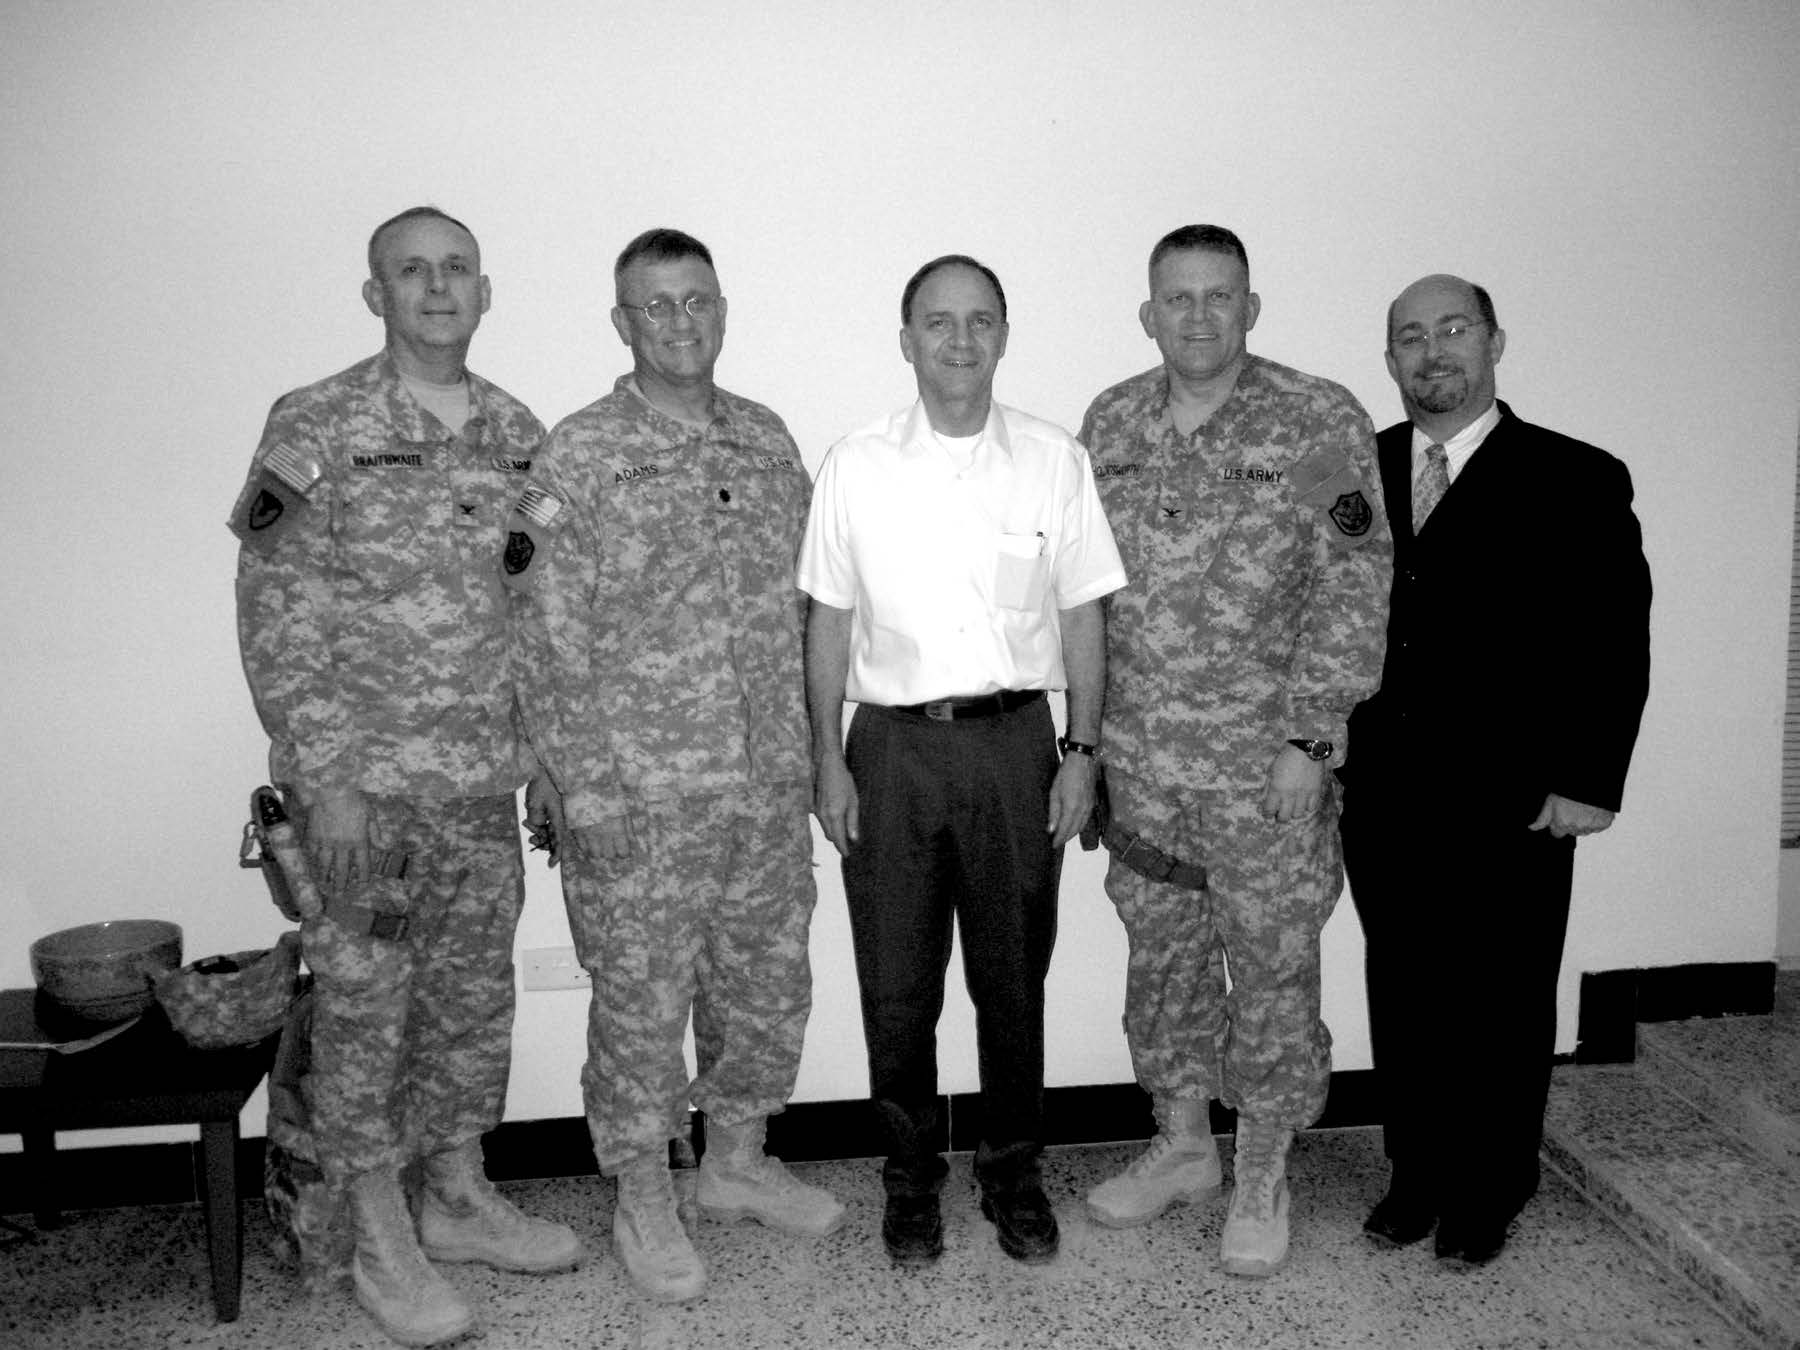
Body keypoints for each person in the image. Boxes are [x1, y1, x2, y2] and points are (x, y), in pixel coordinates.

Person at [229, 206, 582, 1348]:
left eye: (457, 270)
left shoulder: (519, 433)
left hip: (480, 785)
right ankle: (376, 1226)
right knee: (369, 1013)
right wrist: (326, 780)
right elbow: (276, 613)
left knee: (471, 1005)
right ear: (375, 295)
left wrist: (545, 767)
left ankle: (458, 1192)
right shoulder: (315, 423)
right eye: (412, 272)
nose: (438, 289)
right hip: (365, 795)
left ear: (488, 291)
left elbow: (540, 615)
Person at [507, 228, 842, 1305]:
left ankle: (735, 1161)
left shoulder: (766, 439)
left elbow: (806, 611)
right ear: (623, 323)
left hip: (763, 780)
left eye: (698, 300)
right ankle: (643, 1190)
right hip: (639, 792)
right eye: (656, 306)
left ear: (723, 309)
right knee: (642, 1006)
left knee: (763, 985)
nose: (681, 321)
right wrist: (581, 785)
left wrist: (812, 759)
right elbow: (545, 635)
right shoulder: (582, 453)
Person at [799, 255, 1126, 1269]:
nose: (959, 341)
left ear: (1003, 333)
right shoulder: (855, 463)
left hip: (1015, 747)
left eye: (980, 320)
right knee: (897, 988)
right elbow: (825, 622)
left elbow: (1083, 616)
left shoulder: (1051, 460)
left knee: (1012, 979)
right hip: (890, 751)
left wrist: (1081, 752)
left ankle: (1014, 1173)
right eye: (937, 322)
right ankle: (909, 1180)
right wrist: (825, 757)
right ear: (906, 339)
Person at [1079, 224, 1393, 1277]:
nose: (1200, 316)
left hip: (1269, 772)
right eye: (1179, 298)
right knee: (1162, 964)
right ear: (1149, 313)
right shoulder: (1113, 422)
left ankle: (1261, 1167)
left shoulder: (1313, 420)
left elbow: (1357, 584)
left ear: (1251, 307)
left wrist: (1313, 737)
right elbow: (1086, 592)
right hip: (1147, 767)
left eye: (1221, 296)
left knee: (1269, 971)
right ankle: (1182, 1145)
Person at [1340, 273, 1651, 1265]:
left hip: (1515, 797)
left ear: (1494, 342)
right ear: (1390, 360)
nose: (1433, 352)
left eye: (1454, 330)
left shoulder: (1578, 476)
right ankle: (1417, 1173)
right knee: (1407, 990)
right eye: (1411, 338)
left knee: (1506, 998)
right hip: (1383, 792)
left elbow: (1615, 641)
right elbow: (1309, 608)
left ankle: (1491, 1187)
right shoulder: (1355, 474)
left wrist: (1589, 779)